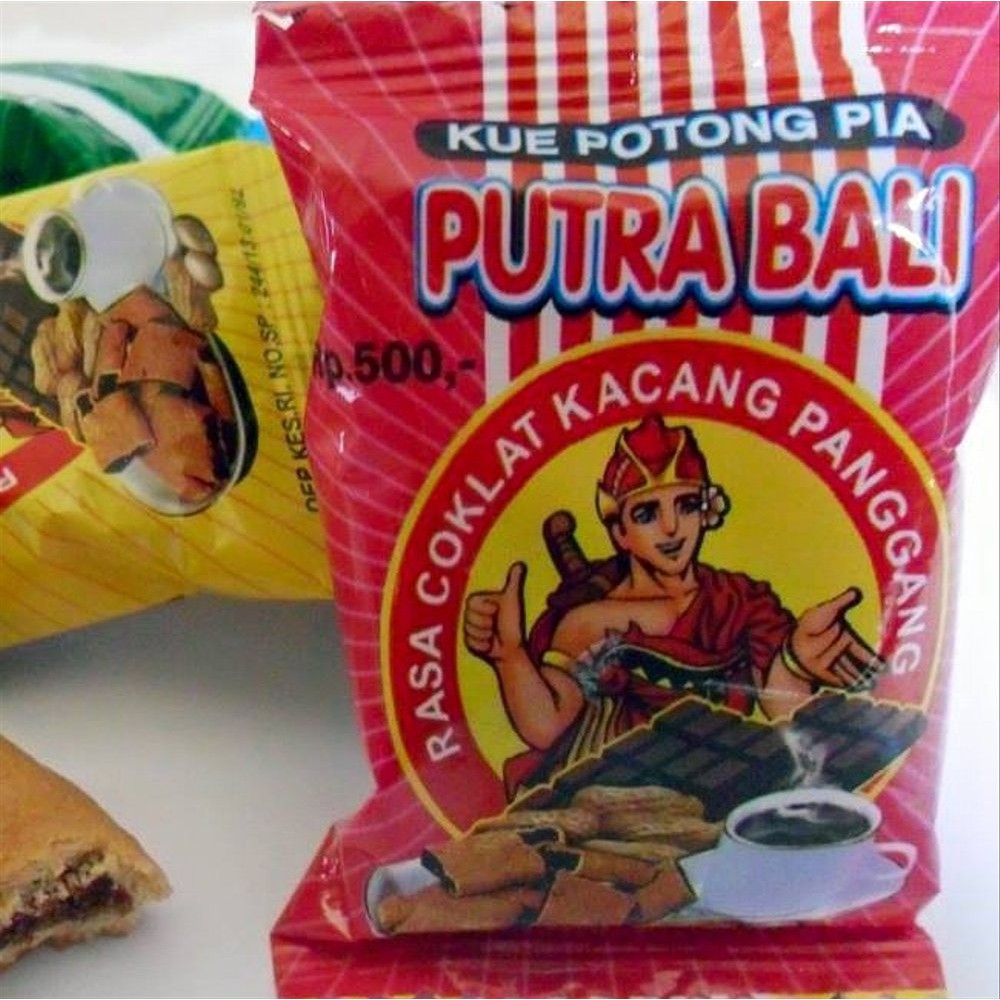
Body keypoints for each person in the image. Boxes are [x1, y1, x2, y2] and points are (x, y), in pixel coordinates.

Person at [463, 413, 885, 797]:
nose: (671, 527)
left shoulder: (740, 600)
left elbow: (782, 716)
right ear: (619, 531)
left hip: (725, 798)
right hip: (612, 809)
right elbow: (548, 727)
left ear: (706, 512)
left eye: (686, 506)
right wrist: (509, 656)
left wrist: (794, 663)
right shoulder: (588, 620)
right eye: (647, 513)